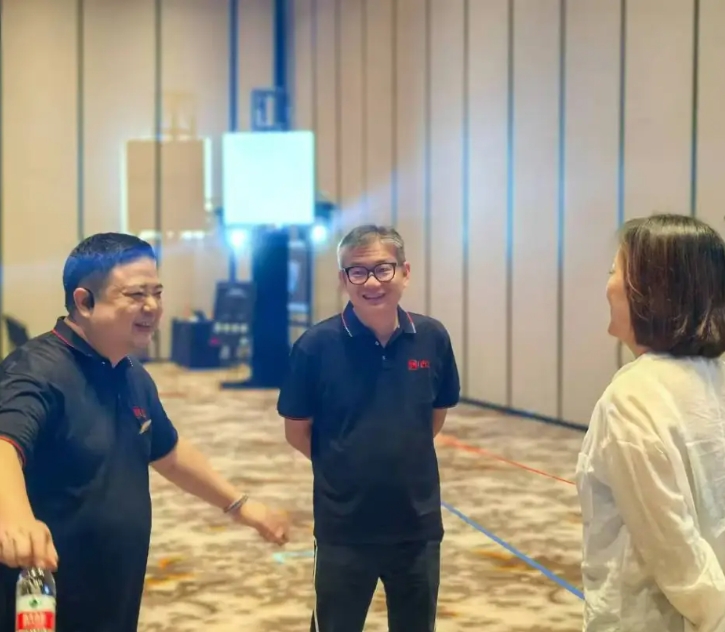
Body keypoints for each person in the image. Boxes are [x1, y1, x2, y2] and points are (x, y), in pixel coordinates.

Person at [0, 233, 289, 632]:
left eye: (157, 292)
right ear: (84, 302)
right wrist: (16, 519)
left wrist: (240, 506)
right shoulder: (36, 371)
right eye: (136, 294)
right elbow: (4, 445)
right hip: (42, 598)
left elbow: (168, 451)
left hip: (111, 591)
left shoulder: (131, 373)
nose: (152, 306)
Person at [575, 214, 725, 631]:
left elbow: (675, 553)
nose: (607, 286)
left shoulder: (633, 398)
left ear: (649, 290)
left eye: (614, 271)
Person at [277, 224, 460, 632]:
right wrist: (344, 460)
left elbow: (433, 416)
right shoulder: (315, 346)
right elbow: (297, 430)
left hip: (416, 525)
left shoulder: (432, 338)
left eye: (383, 269)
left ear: (405, 273)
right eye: (357, 272)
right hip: (344, 527)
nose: (372, 282)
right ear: (343, 280)